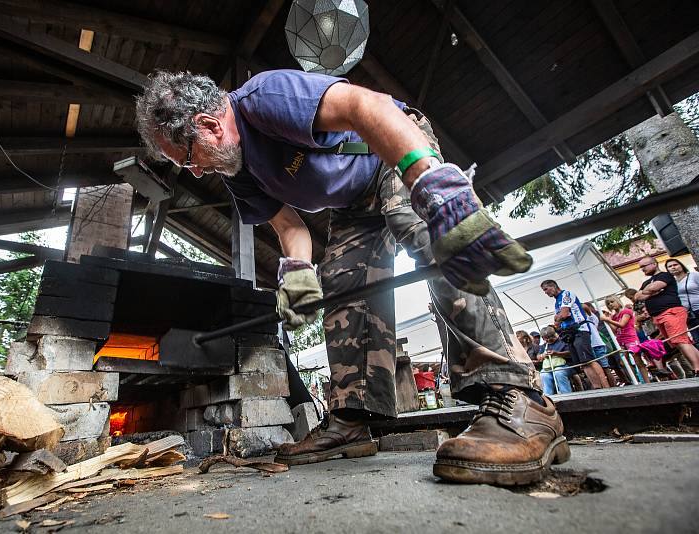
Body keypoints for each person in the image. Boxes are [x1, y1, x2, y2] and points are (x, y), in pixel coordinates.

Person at [136, 69, 567, 485]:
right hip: (352, 204)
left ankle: (520, 400)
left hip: (390, 150)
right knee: (342, 284)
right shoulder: (239, 173)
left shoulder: (264, 98)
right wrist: (298, 274)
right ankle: (353, 419)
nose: (194, 171)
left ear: (209, 124)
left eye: (188, 159)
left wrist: (430, 182)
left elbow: (367, 105)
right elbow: (290, 229)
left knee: (429, 235)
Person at [635, 256, 699, 377]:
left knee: (680, 340)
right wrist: (649, 291)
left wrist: (649, 291)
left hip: (671, 312)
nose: (642, 269)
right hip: (658, 316)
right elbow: (637, 296)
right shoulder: (646, 282)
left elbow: (652, 288)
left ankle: (697, 369)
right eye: (641, 267)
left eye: (644, 266)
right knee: (680, 342)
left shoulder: (665, 275)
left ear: (654, 264)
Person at [540, 280, 608, 389]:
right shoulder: (557, 301)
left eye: (546, 289)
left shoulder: (566, 294)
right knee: (583, 363)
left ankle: (605, 386)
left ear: (553, 286)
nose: (545, 293)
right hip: (570, 333)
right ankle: (597, 387)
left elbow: (563, 314)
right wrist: (559, 318)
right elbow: (557, 320)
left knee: (589, 360)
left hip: (580, 329)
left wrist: (560, 317)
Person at [603, 295, 641, 384]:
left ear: (617, 301)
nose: (611, 304)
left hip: (630, 339)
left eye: (612, 302)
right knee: (623, 363)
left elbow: (622, 324)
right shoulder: (614, 316)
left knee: (637, 360)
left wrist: (608, 320)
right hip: (621, 340)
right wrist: (608, 320)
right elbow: (615, 329)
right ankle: (635, 381)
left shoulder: (626, 311)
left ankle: (646, 381)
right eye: (608, 304)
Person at [583, 302, 620, 386]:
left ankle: (613, 387)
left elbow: (584, 306)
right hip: (591, 346)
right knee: (600, 369)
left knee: (605, 368)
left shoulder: (591, 318)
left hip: (597, 345)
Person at [665, 257, 699, 344]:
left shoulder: (693, 275)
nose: (673, 267)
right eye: (670, 266)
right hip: (688, 314)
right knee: (697, 339)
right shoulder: (671, 283)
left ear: (681, 266)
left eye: (675, 264)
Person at [537, 327, 573, 395]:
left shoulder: (563, 342)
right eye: (545, 338)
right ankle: (549, 397)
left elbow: (570, 353)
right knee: (544, 375)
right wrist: (543, 355)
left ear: (554, 335)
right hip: (548, 368)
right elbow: (538, 357)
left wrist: (557, 353)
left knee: (559, 373)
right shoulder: (544, 346)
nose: (548, 339)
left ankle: (567, 395)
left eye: (549, 337)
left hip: (564, 366)